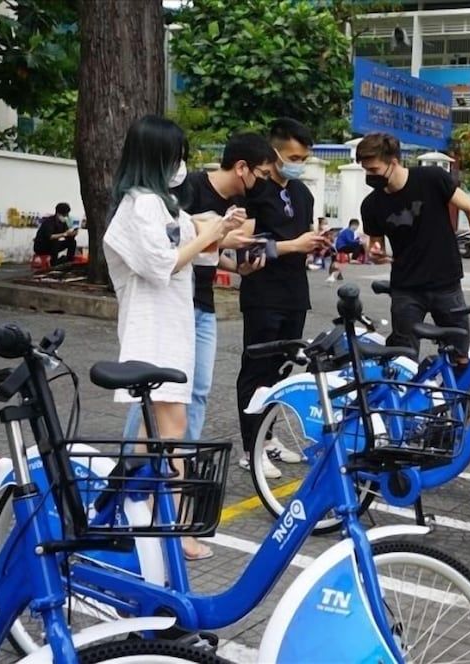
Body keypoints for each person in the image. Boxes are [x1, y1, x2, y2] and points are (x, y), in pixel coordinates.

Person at [103, 115, 227, 561]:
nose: (182, 164)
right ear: (157, 157)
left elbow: (193, 238)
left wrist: (218, 227)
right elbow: (162, 263)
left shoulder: (161, 205)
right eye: (177, 155)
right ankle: (171, 528)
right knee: (169, 432)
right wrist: (207, 234)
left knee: (158, 434)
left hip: (172, 329)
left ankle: (123, 507)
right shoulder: (136, 208)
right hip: (150, 333)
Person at [122, 132, 275, 447]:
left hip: (203, 304)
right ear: (242, 168)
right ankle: (131, 466)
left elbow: (206, 255)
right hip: (173, 302)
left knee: (198, 390)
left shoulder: (241, 202)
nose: (264, 182)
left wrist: (237, 266)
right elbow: (171, 248)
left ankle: (182, 465)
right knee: (154, 391)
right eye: (261, 174)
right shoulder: (185, 188)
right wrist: (213, 233)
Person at [234, 118, 330, 476]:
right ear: (273, 153)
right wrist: (292, 245)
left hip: (294, 294)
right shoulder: (254, 192)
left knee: (280, 372)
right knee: (256, 370)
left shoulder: (303, 193)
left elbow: (301, 239)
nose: (298, 163)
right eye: (293, 156)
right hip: (263, 294)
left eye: (304, 157)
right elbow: (244, 249)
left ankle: (268, 437)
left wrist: (317, 243)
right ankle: (251, 448)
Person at [357, 131, 470, 356]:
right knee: (402, 358)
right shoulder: (370, 205)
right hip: (406, 290)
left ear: (393, 162)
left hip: (447, 285)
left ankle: (451, 392)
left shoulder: (432, 179)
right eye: (365, 170)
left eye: (373, 170)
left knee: (459, 354)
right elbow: (377, 246)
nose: (369, 176)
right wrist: (375, 252)